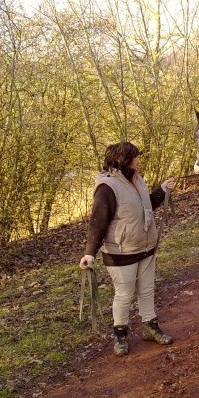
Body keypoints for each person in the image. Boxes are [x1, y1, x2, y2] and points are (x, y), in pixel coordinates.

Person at [79, 142, 175, 356]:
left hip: (145, 248)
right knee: (123, 295)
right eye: (135, 157)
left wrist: (162, 190)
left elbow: (146, 205)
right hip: (120, 253)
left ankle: (151, 328)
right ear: (122, 161)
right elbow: (97, 222)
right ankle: (120, 336)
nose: (138, 160)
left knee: (147, 290)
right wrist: (90, 253)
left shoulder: (136, 180)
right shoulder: (107, 188)